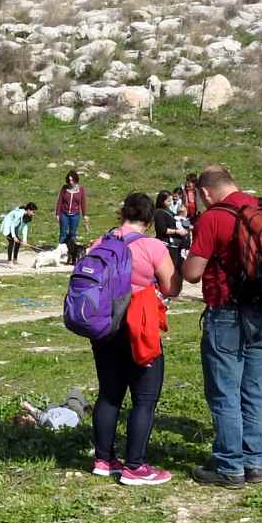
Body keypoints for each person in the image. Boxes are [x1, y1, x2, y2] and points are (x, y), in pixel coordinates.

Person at [181, 166, 262, 487]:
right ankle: (253, 461)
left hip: (227, 311)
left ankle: (229, 465)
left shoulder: (213, 218)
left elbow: (192, 273)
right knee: (256, 388)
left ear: (206, 193)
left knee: (225, 390)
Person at [87, 193, 179, 486]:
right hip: (139, 323)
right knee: (144, 398)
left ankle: (103, 459)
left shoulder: (100, 243)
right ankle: (135, 466)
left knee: (109, 393)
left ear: (121, 214)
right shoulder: (152, 246)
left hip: (105, 325)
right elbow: (171, 286)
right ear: (150, 221)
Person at [55, 171, 87, 264]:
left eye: (72, 180)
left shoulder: (80, 189)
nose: (71, 182)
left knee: (72, 234)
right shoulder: (64, 188)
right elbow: (59, 201)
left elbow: (83, 203)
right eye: (69, 180)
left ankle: (72, 253)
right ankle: (60, 252)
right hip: (64, 213)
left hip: (75, 214)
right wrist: (57, 213)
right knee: (63, 233)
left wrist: (84, 215)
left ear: (76, 180)